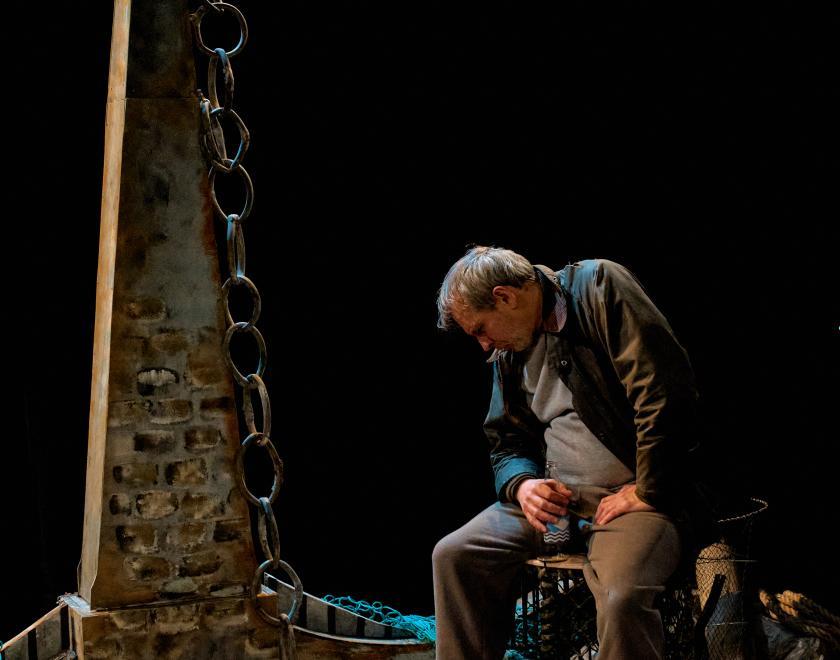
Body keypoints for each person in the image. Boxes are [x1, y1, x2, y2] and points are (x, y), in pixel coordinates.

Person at [432, 246, 707, 660]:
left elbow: (664, 393)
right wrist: (523, 485)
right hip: (559, 503)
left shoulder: (599, 288)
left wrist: (648, 489)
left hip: (632, 499)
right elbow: (505, 439)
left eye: (480, 330)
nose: (484, 345)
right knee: (455, 556)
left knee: (620, 597)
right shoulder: (509, 351)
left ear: (505, 297)